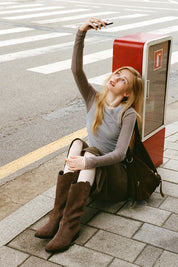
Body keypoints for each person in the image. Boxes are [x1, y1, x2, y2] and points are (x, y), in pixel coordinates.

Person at [35, 17, 144, 253]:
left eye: (122, 79)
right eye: (116, 73)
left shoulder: (128, 114)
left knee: (89, 151)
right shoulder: (93, 99)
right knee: (77, 143)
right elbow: (76, 69)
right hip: (91, 176)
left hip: (115, 183)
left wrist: (88, 160)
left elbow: (119, 154)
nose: (114, 77)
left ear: (127, 93)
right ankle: (57, 216)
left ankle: (70, 226)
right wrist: (80, 32)